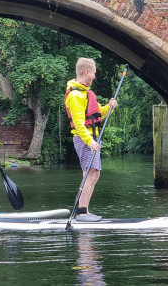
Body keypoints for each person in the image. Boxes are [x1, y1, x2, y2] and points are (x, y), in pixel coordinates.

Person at [64, 57, 118, 222]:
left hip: (92, 139)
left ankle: (84, 210)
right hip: (85, 140)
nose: (94, 76)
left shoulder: (85, 93)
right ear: (87, 72)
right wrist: (89, 141)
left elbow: (97, 113)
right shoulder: (75, 95)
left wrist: (109, 107)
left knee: (94, 174)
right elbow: (80, 124)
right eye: (93, 73)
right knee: (89, 174)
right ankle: (82, 213)